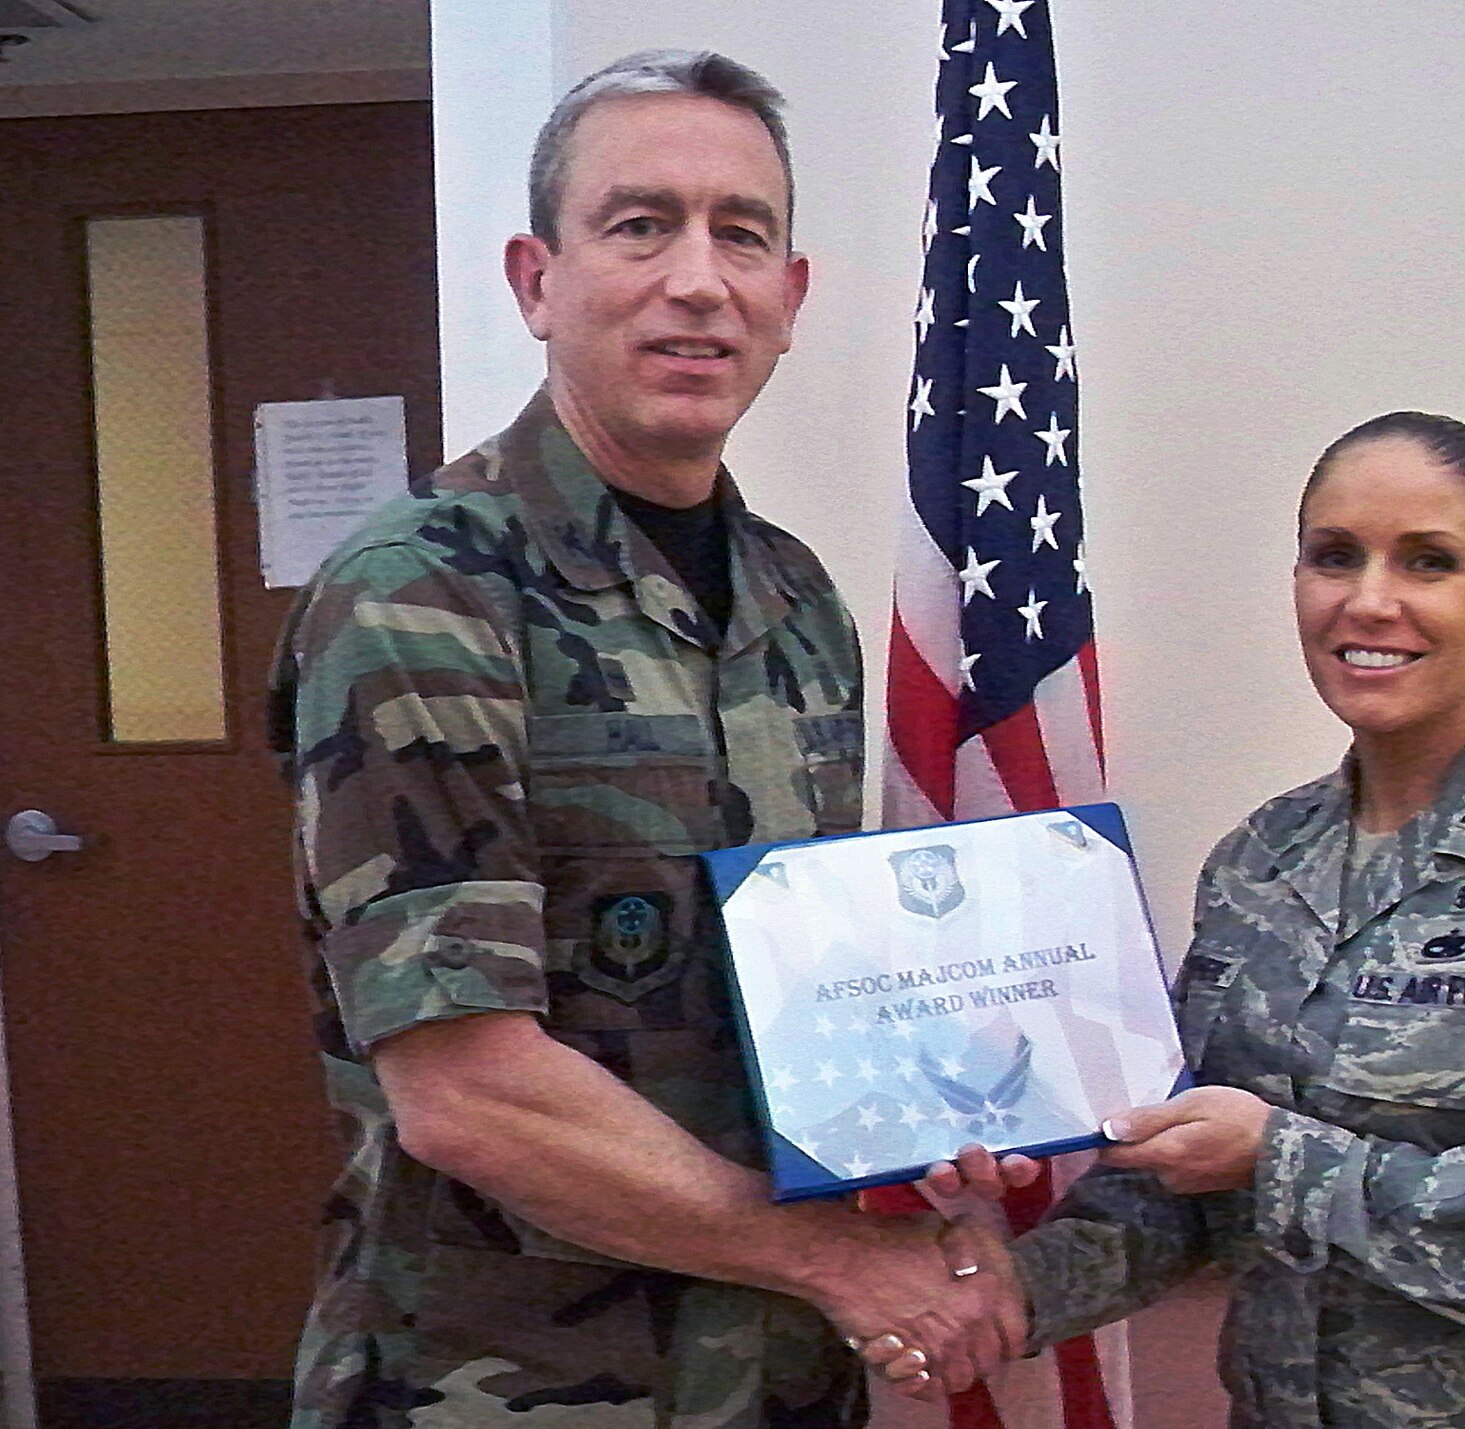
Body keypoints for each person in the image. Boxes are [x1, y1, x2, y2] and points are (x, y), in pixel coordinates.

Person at [271, 49, 1021, 1429]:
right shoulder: (428, 591)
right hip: (509, 1389)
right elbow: (466, 1089)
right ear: (535, 280)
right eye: (639, 224)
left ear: (791, 299)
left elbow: (817, 1002)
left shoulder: (797, 600)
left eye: (743, 234)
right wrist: (843, 1260)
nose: (697, 279)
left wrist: (972, 1150)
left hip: (776, 1376)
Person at [866, 412, 1465, 1427]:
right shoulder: (1259, 862)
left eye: (1427, 562)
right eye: (1334, 557)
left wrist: (1281, 1158)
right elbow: (1183, 1176)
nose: (1368, 601)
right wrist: (1009, 1293)